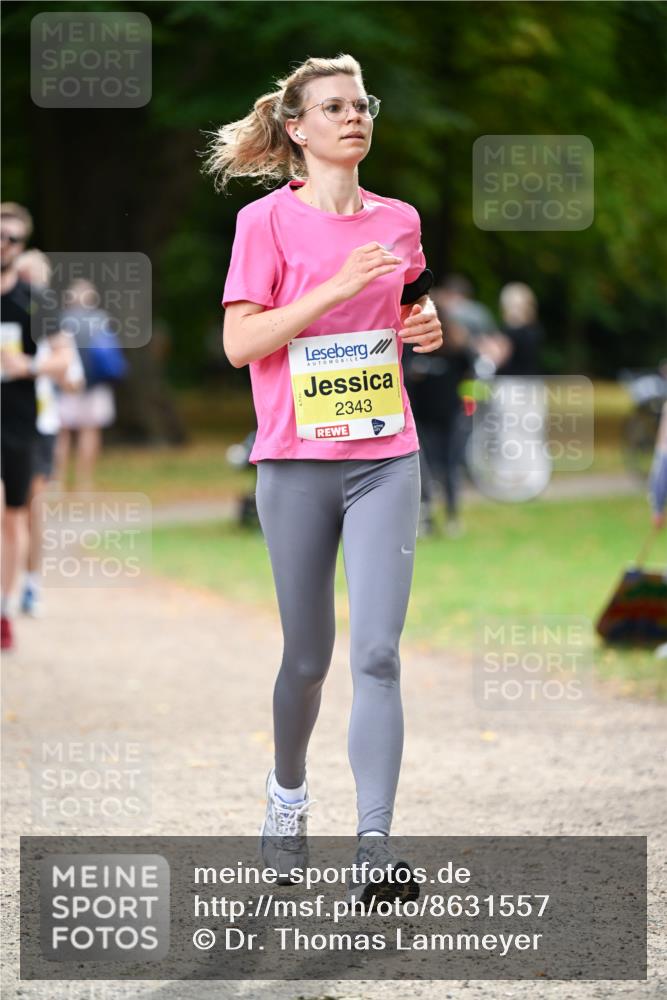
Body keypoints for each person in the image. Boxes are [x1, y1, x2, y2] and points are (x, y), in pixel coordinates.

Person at [205, 53, 443, 907]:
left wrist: (424, 325)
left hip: (384, 456)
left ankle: (374, 845)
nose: (354, 116)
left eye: (362, 104)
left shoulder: (399, 220)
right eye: (334, 107)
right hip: (295, 462)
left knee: (376, 654)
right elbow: (241, 344)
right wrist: (335, 286)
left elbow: (405, 308)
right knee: (307, 658)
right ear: (297, 128)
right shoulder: (264, 223)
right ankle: (287, 793)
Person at [0, 204, 72, 650]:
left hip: (19, 424)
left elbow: (64, 360)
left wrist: (26, 366)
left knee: (13, 518)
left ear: (20, 246)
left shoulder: (34, 301)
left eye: (10, 239)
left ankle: (5, 609)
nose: (2, 244)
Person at [55, 279, 118, 491]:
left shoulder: (59, 320)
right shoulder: (100, 319)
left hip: (65, 383)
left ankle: (58, 480)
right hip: (95, 384)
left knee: (62, 433)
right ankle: (85, 482)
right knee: (90, 431)